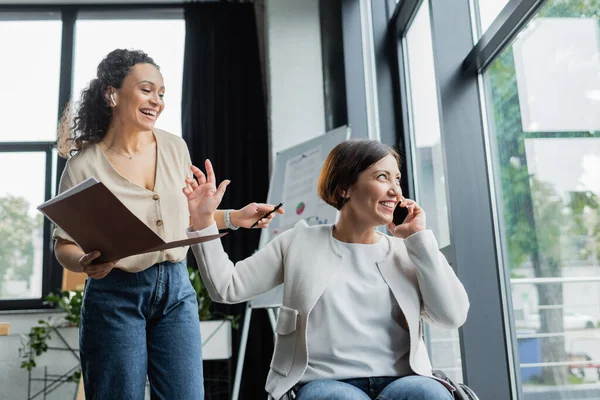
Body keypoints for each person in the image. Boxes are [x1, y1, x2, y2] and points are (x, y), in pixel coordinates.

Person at [53, 48, 281, 400]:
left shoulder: (175, 147)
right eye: (146, 89)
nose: (156, 101)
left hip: (176, 291)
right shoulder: (83, 165)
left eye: (161, 93)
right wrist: (84, 262)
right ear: (111, 94)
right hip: (115, 295)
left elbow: (186, 220)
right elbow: (63, 245)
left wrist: (235, 217)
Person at [183, 139, 470, 400]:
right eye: (382, 177)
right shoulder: (299, 242)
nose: (395, 190)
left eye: (397, 178)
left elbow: (452, 316)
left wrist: (419, 240)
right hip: (325, 384)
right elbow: (226, 288)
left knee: (425, 392)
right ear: (344, 187)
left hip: (402, 382)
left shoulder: (406, 251)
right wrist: (203, 220)